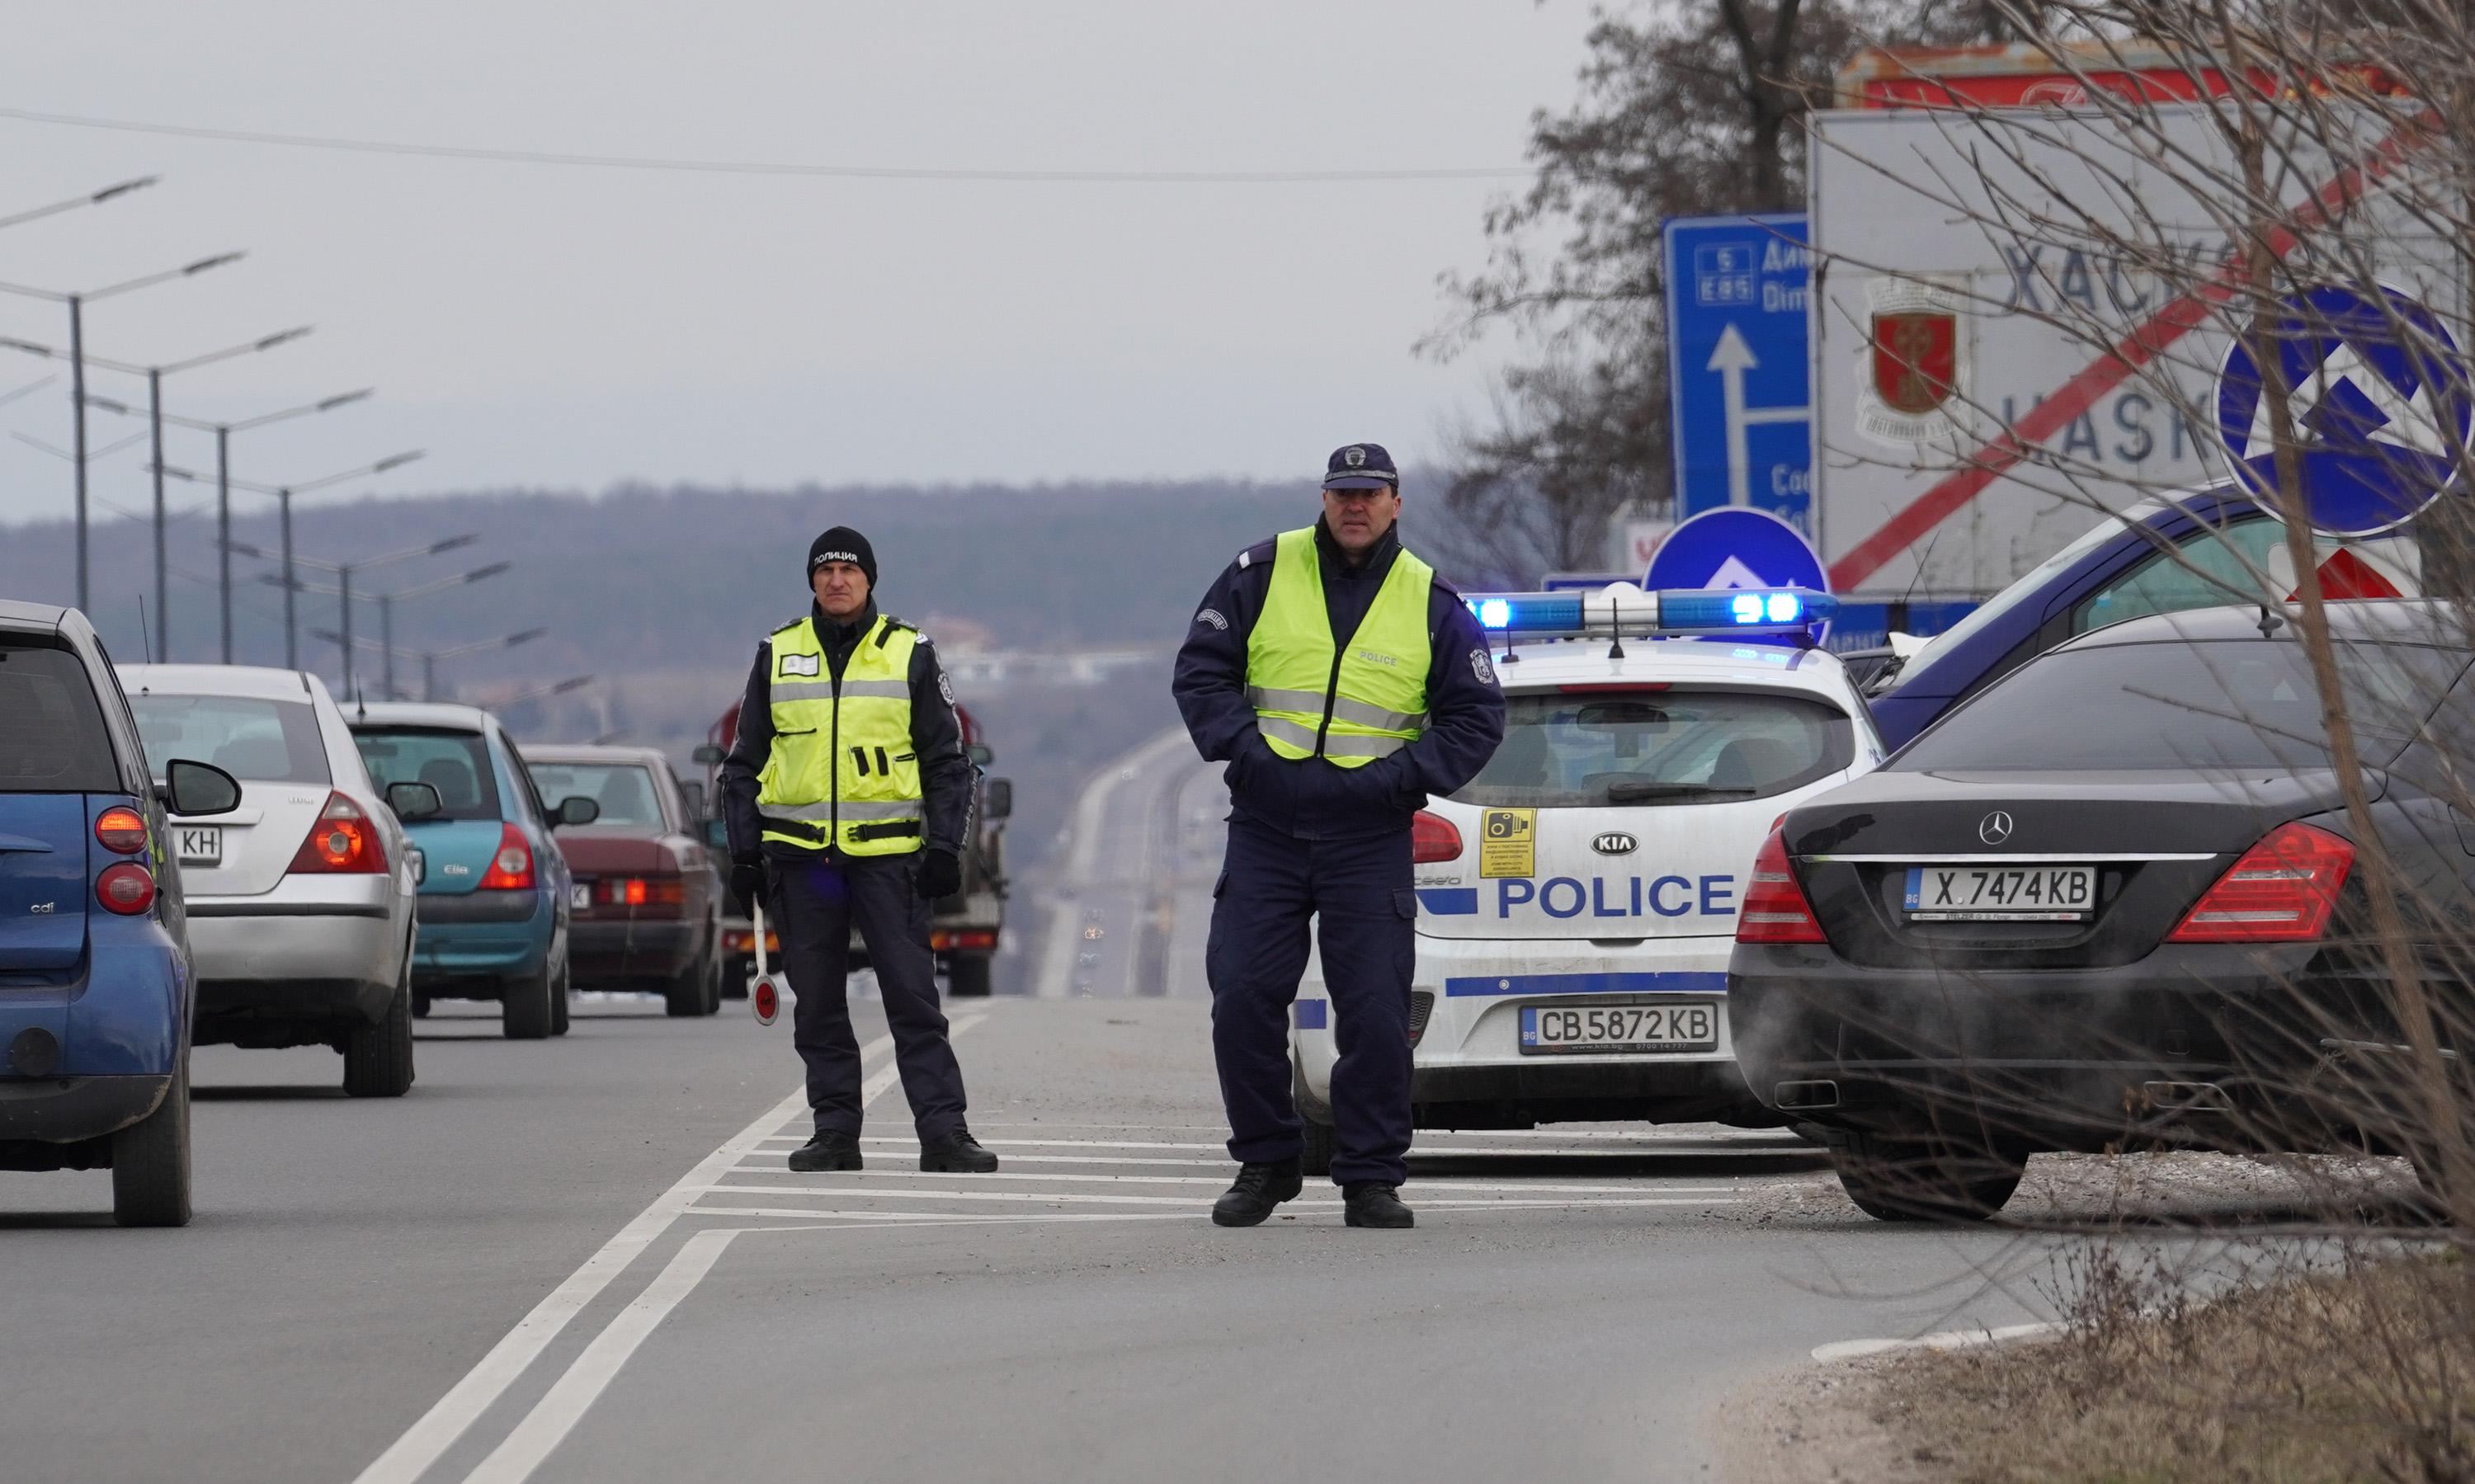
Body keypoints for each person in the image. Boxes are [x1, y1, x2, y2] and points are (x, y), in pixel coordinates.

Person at [1172, 443, 1506, 1228]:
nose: (1354, 506)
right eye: (1342, 492)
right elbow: (1201, 673)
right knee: (1244, 996)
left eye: (1370, 493)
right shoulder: (1259, 572)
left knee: (1376, 1011)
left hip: (1369, 832)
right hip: (1268, 824)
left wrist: (1397, 780)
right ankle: (1266, 1160)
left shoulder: (1431, 600)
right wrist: (1248, 755)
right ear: (1324, 499)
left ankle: (1370, 1175)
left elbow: (1477, 717)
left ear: (1397, 503)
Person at [719, 525, 999, 1175]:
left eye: (849, 570)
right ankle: (835, 1134)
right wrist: (744, 854)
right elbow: (740, 767)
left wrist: (942, 849)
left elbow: (949, 763)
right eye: (825, 571)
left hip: (887, 862)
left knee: (912, 1000)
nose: (837, 580)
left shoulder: (908, 652)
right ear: (811, 582)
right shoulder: (778, 652)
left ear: (870, 579)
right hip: (802, 864)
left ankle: (944, 1134)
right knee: (817, 1004)